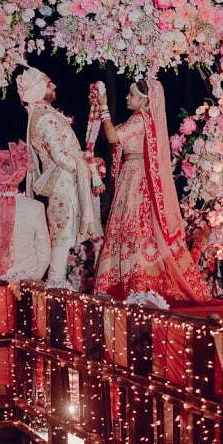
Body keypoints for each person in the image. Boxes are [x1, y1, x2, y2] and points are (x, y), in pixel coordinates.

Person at [94, 77, 210, 304]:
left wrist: (104, 107)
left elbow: (111, 136)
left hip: (136, 177)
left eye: (132, 95)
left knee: (134, 227)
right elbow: (110, 133)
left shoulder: (140, 119)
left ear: (145, 100)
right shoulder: (139, 119)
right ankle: (132, 280)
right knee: (132, 227)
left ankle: (138, 281)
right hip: (133, 174)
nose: (128, 98)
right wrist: (99, 109)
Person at [16, 67, 102, 287]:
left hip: (64, 179)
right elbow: (60, 156)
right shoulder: (43, 117)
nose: (53, 85)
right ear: (38, 90)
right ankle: (55, 282)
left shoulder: (43, 113)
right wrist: (84, 165)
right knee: (62, 230)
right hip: (62, 179)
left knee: (64, 228)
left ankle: (57, 281)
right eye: (48, 82)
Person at [0, 141, 51, 281]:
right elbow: (44, 252)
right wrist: (32, 279)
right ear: (19, 173)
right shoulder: (35, 207)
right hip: (24, 286)